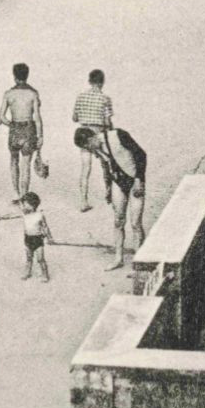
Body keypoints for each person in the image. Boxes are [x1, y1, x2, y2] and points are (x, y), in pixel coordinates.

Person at [75, 126, 148, 269]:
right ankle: (118, 258)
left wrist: (140, 179)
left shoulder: (118, 135)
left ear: (92, 138)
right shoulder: (96, 148)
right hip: (118, 182)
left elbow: (141, 155)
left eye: (88, 146)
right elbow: (107, 167)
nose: (90, 150)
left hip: (134, 180)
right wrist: (108, 188)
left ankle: (139, 261)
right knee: (118, 220)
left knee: (135, 223)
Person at [0, 63, 42, 202]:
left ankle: (16, 193)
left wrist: (11, 125)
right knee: (26, 164)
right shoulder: (33, 93)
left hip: (15, 129)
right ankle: (24, 195)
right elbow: (38, 117)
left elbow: (2, 117)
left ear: (14, 76)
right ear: (27, 75)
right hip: (29, 128)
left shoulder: (9, 94)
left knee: (13, 161)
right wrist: (40, 136)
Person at [72, 70, 114, 213]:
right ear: (102, 82)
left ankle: (83, 201)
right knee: (106, 165)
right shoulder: (105, 98)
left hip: (84, 136)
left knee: (85, 169)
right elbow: (108, 121)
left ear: (89, 81)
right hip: (99, 135)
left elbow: (75, 118)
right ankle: (109, 194)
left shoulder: (81, 97)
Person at [16, 191, 51, 282]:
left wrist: (49, 237)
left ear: (32, 205)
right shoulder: (24, 214)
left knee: (40, 259)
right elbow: (11, 216)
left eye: (25, 204)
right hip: (28, 239)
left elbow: (45, 227)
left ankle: (45, 274)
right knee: (29, 258)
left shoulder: (39, 215)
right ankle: (27, 272)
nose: (23, 206)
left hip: (38, 239)